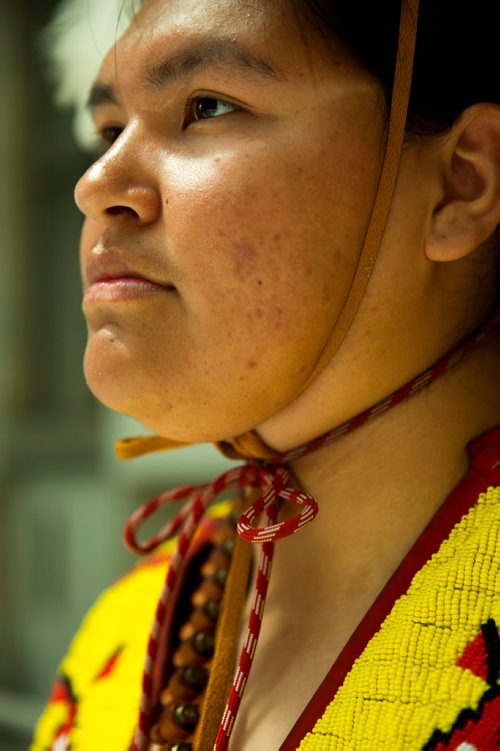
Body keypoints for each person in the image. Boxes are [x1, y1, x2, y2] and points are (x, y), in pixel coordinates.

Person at [31, 0, 500, 749]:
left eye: (206, 106)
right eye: (109, 130)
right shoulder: (131, 626)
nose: (97, 184)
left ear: (462, 182)